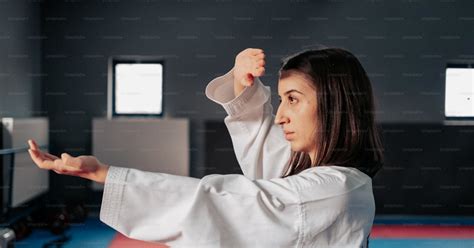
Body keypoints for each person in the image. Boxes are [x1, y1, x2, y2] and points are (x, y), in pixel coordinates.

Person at [28, 47, 383, 247]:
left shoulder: (336, 190)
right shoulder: (322, 178)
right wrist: (241, 87)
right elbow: (268, 154)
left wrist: (104, 173)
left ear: (335, 103)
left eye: (293, 99)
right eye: (281, 101)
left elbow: (224, 202)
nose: (280, 117)